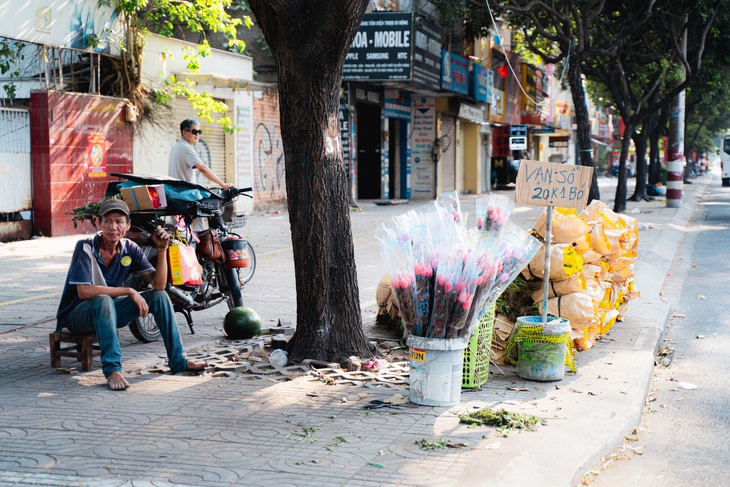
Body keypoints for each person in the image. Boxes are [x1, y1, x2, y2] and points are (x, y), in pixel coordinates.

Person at [56, 199, 205, 390]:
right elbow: (84, 291)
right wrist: (129, 290)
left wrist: (161, 250)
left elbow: (159, 285)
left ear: (127, 226)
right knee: (102, 300)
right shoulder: (85, 247)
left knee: (159, 297)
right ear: (99, 223)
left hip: (109, 313)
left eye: (119, 222)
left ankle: (178, 360)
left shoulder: (130, 248)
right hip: (77, 316)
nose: (113, 227)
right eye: (108, 221)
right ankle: (112, 370)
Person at [168, 118, 235, 190]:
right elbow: (202, 168)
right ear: (184, 133)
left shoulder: (176, 146)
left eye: (199, 132)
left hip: (175, 192)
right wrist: (223, 184)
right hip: (185, 194)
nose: (197, 134)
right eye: (194, 131)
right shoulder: (186, 148)